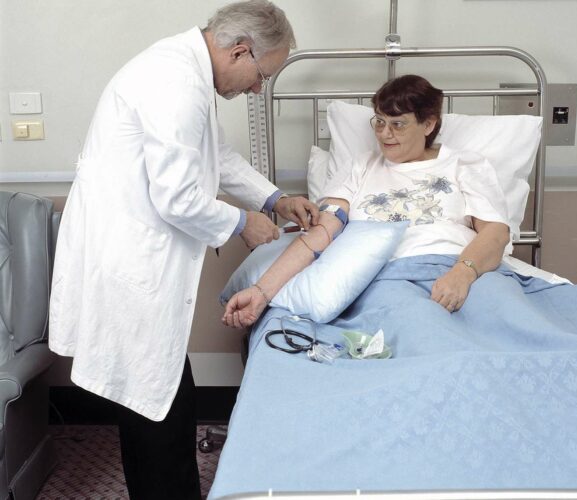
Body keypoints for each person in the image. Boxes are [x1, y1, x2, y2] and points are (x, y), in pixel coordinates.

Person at [49, 1, 318, 499]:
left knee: (162, 392)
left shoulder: (184, 70)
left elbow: (218, 153)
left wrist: (276, 197)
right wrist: (244, 221)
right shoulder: (174, 82)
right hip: (130, 257)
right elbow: (176, 197)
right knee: (155, 402)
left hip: (135, 252)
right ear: (240, 50)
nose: (258, 88)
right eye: (262, 75)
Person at [222, 74, 510, 329]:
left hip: (463, 268)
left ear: (428, 124)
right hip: (388, 278)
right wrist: (261, 292)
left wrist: (463, 274)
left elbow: (496, 233)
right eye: (380, 121)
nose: (385, 134)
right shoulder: (361, 167)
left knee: (509, 320)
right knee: (422, 328)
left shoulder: (464, 164)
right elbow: (320, 234)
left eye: (397, 124)